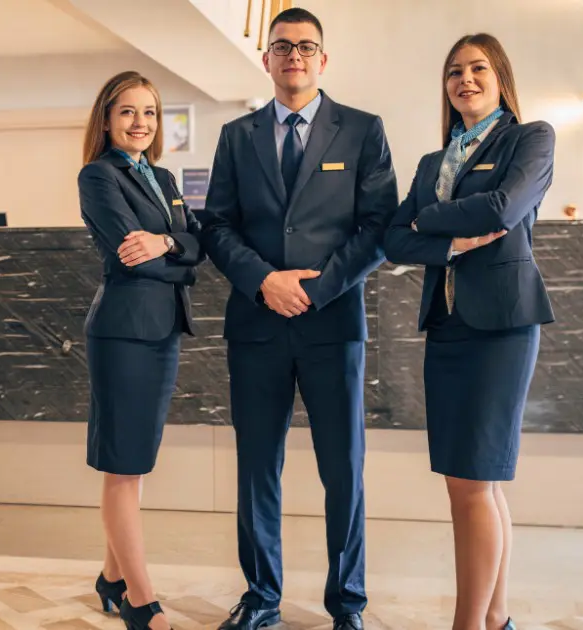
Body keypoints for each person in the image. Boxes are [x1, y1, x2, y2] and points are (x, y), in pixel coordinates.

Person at [201, 8, 395, 630]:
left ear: (323, 59)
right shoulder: (238, 135)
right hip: (256, 326)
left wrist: (316, 289)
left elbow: (378, 228)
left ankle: (348, 604)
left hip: (332, 325)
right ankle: (261, 599)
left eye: (306, 47)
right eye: (282, 46)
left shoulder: (363, 130)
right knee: (258, 466)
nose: (294, 56)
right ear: (267, 59)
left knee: (343, 469)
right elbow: (217, 226)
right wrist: (262, 280)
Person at [382, 33, 556, 630]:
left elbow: (504, 208)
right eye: (454, 71)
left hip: (502, 328)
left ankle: (467, 624)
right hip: (448, 327)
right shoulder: (436, 162)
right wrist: (448, 237)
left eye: (478, 68)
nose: (465, 79)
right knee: (471, 483)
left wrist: (427, 219)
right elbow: (392, 239)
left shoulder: (530, 139)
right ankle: (495, 618)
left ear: (501, 78)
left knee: (474, 483)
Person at [77, 70, 205, 630]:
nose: (140, 123)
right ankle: (139, 597)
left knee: (136, 461)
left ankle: (111, 576)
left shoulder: (164, 176)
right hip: (124, 333)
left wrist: (169, 242)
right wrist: (171, 253)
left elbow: (196, 244)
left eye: (149, 112)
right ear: (107, 119)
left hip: (162, 330)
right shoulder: (98, 177)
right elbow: (135, 257)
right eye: (128, 112)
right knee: (123, 468)